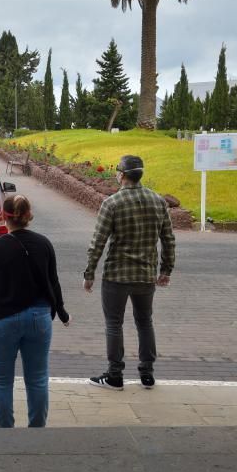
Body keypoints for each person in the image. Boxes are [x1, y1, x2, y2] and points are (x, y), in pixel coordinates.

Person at [0, 194, 70, 428]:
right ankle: (36, 430)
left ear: (5, 217)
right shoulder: (44, 243)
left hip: (2, 319)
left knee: (1, 380)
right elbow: (53, 282)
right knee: (37, 378)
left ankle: (5, 430)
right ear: (28, 216)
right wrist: (62, 312)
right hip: (39, 317)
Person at [84, 155, 175, 391]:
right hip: (146, 275)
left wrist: (89, 272)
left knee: (114, 324)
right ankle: (147, 373)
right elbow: (168, 240)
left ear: (122, 175)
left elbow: (98, 242)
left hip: (117, 274)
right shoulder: (158, 201)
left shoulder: (112, 203)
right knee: (145, 322)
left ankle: (115, 375)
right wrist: (166, 269)